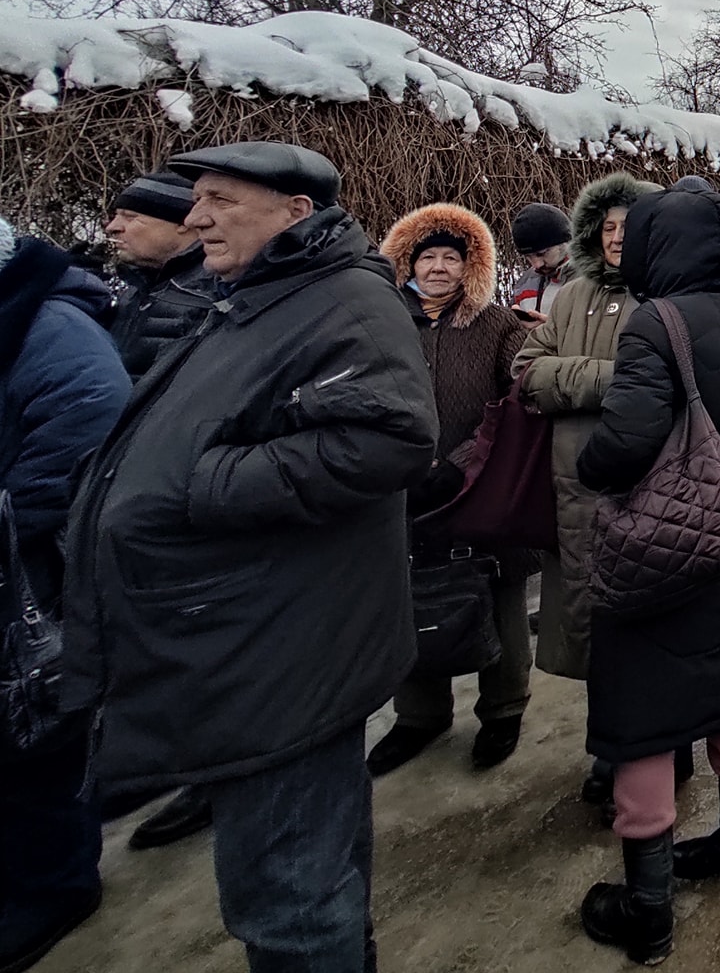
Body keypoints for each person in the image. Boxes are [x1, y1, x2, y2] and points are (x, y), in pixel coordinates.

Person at [63, 142, 435, 973]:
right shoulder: (260, 293)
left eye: (221, 199)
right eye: (197, 199)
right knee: (304, 877)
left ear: (295, 212)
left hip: (285, 658)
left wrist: (201, 483)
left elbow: (392, 435)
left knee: (290, 902)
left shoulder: (340, 299)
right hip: (255, 637)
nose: (196, 217)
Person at [573, 182, 720, 965]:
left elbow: (627, 440)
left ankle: (649, 907)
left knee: (643, 711)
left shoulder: (655, 321)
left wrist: (590, 467)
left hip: (666, 552)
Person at [0, 219, 129, 971]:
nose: (115, 226)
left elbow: (89, 425)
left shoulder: (49, 328)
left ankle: (55, 881)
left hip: (31, 569)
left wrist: (15, 517)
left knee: (37, 726)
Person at [369, 204, 535, 777]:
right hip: (400, 486)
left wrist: (463, 461)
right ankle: (419, 715)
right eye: (428, 256)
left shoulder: (494, 325)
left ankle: (504, 709)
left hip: (478, 485)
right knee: (406, 597)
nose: (439, 267)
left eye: (452, 257)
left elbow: (518, 398)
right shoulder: (382, 321)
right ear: (407, 261)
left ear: (471, 267)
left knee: (500, 595)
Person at [515, 170, 662, 809]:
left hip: (641, 481)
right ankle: (609, 744)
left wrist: (571, 380)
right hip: (571, 485)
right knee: (588, 618)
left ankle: (655, 744)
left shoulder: (660, 296)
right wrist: (609, 378)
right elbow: (527, 373)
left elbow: (659, 380)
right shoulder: (569, 298)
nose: (617, 238)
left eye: (630, 228)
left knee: (644, 620)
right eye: (608, 228)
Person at [101, 172, 224, 853]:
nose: (114, 228)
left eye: (129, 216)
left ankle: (206, 770)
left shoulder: (209, 297)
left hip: (176, 498)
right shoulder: (133, 291)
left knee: (190, 639)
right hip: (125, 494)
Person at [103, 169, 216, 378]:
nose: (113, 227)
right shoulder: (138, 289)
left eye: (130, 217)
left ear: (184, 223)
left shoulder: (212, 293)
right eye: (116, 216)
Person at [508, 201, 577, 323]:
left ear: (565, 242)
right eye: (528, 257)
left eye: (542, 254)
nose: (536, 265)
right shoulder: (524, 283)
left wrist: (550, 332)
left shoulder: (594, 279)